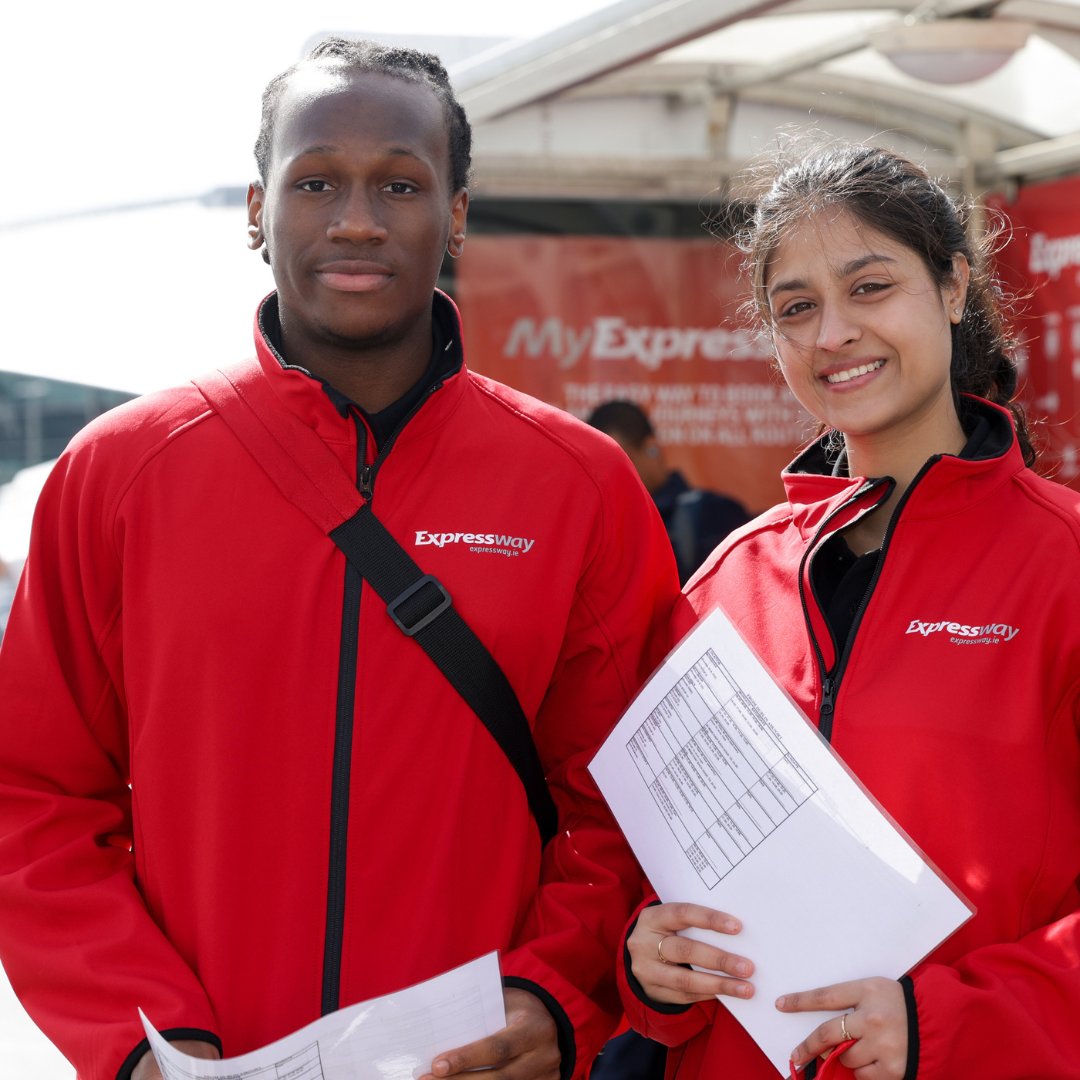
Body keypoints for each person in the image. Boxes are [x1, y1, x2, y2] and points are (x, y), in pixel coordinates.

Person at [0, 39, 679, 1080]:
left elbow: (629, 804)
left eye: (400, 185)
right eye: (315, 180)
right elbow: (36, 795)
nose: (356, 220)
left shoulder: (578, 486)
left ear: (455, 213)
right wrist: (143, 1038)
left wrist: (548, 988)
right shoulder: (119, 474)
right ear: (256, 209)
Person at [616, 144, 1080, 1079]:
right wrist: (650, 963)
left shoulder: (1064, 564)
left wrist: (951, 1024)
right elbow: (643, 874)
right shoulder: (724, 586)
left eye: (870, 287)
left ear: (952, 287)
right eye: (796, 309)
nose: (832, 333)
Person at [586, 401, 751, 584]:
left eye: (622, 460)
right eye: (602, 466)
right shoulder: (598, 532)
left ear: (651, 447)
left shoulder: (713, 512)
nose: (611, 475)